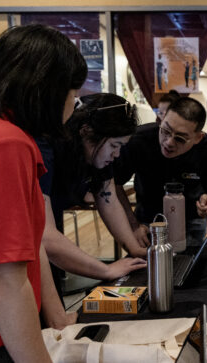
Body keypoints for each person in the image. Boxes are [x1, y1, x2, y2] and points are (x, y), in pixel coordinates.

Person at [0, 24, 87, 362]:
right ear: (49, 91)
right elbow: (4, 280)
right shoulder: (4, 145)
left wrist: (56, 318)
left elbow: (28, 246)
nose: (73, 105)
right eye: (73, 95)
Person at [37, 93, 148, 302]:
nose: (116, 155)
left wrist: (134, 249)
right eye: (114, 146)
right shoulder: (48, 149)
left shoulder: (97, 156)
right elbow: (46, 238)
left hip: (46, 239)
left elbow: (108, 199)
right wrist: (106, 270)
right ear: (86, 132)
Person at [114, 97, 207, 247]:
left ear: (198, 138)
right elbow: (114, 184)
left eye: (180, 139)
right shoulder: (139, 140)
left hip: (191, 221)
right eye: (165, 130)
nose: (169, 142)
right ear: (162, 118)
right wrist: (132, 225)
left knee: (189, 267)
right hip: (147, 221)